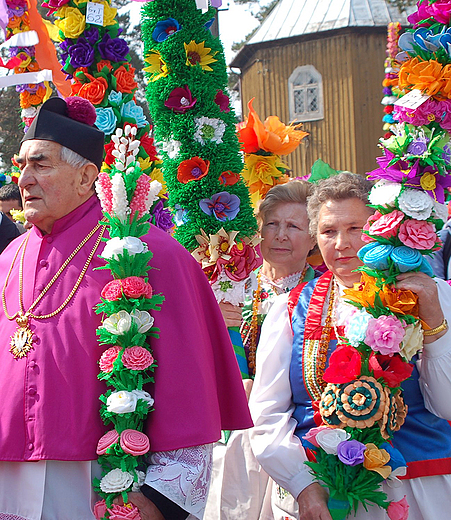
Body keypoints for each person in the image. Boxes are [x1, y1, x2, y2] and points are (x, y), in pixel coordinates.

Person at [0, 97, 252, 520]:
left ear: (86, 177)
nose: (24, 179)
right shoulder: (9, 259)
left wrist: (161, 500)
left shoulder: (149, 252)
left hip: (101, 480)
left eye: (41, 165)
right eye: (21, 165)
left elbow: (186, 385)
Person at [249, 172, 451, 520]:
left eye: (355, 228)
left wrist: (432, 318)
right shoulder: (289, 309)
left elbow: (446, 404)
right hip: (325, 494)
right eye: (328, 231)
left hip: (420, 486)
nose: (341, 243)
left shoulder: (431, 294)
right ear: (315, 238)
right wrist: (303, 486)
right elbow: (266, 417)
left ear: (380, 229)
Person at [206, 181, 316, 520]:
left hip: (294, 440)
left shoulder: (320, 295)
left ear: (313, 239)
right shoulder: (229, 285)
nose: (281, 235)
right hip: (229, 437)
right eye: (272, 224)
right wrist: (210, 318)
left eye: (294, 226)